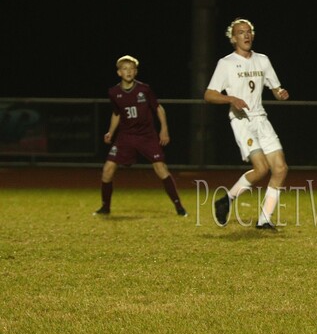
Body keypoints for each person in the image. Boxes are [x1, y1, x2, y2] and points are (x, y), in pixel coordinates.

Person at [204, 18, 290, 229]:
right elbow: (209, 94)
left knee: (280, 168)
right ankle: (228, 199)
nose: (246, 35)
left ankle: (264, 220)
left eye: (248, 31)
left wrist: (280, 93)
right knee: (261, 169)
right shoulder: (226, 64)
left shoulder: (262, 60)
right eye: (241, 32)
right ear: (233, 38)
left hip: (261, 118)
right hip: (242, 121)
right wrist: (231, 99)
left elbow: (275, 88)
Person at [94, 55, 187, 217]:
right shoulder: (114, 92)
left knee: (160, 168)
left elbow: (158, 108)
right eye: (124, 69)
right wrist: (110, 131)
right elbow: (116, 113)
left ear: (135, 72)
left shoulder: (144, 89)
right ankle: (105, 207)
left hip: (147, 136)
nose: (128, 72)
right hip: (126, 136)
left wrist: (164, 129)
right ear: (119, 73)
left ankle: (179, 207)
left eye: (131, 69)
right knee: (107, 169)